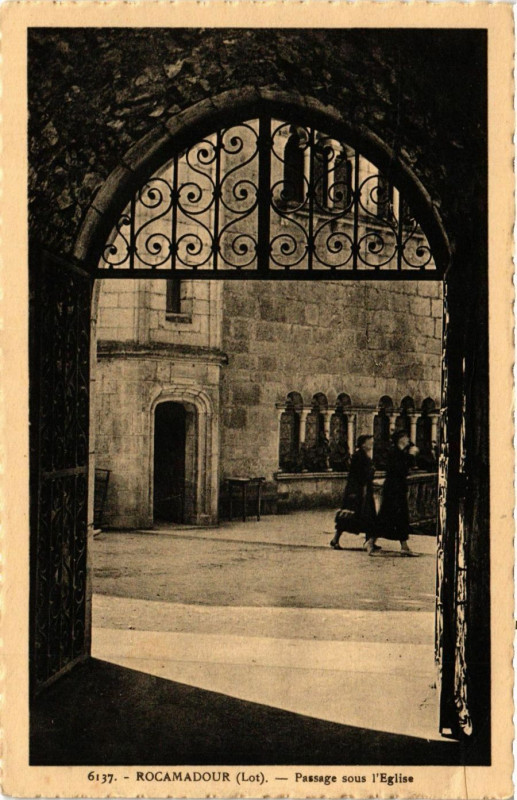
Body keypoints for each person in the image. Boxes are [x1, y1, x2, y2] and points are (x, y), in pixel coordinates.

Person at [330, 434, 379, 551]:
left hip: (364, 490)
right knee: (349, 515)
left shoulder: (363, 456)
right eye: (369, 442)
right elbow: (357, 474)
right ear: (363, 444)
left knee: (369, 515)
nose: (372, 444)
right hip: (357, 491)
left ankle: (369, 540)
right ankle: (335, 539)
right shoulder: (358, 456)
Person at [374, 430, 419, 556]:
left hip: (396, 489)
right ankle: (371, 542)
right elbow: (400, 470)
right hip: (393, 490)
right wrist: (411, 455)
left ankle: (404, 547)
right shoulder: (394, 452)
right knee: (387, 516)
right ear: (401, 439)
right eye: (406, 437)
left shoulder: (399, 452)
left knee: (398, 517)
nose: (408, 439)